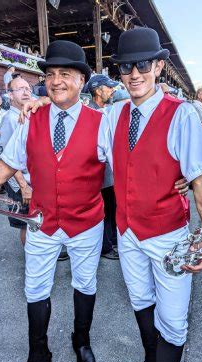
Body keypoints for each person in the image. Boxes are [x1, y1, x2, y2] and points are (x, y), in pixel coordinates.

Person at [0, 40, 112, 362]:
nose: (56, 81)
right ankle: (38, 355)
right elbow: (8, 164)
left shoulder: (102, 122)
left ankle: (81, 341)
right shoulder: (31, 119)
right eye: (50, 75)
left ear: (82, 80)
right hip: (42, 222)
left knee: (85, 283)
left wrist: (178, 176)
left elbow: (126, 168)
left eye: (65, 74)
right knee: (35, 288)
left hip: (86, 221)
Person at [108, 27, 202, 362]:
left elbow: (201, 180)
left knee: (172, 322)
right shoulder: (113, 114)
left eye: (142, 64)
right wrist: (40, 105)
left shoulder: (182, 114)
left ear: (158, 66)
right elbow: (76, 127)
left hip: (169, 234)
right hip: (127, 232)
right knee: (140, 301)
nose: (134, 73)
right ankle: (150, 361)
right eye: (126, 67)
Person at [87, 74, 119, 259]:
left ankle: (112, 241)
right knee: (105, 211)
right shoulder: (91, 114)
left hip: (109, 173)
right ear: (99, 91)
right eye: (109, 87)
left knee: (112, 208)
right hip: (101, 174)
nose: (113, 90)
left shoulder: (107, 110)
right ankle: (105, 247)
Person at [0, 77, 33, 246]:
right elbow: (9, 159)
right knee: (27, 224)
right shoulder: (10, 119)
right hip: (21, 183)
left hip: (32, 179)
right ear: (10, 95)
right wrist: (24, 187)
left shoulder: (28, 114)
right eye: (20, 89)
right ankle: (32, 261)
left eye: (28, 88)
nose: (26, 92)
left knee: (36, 220)